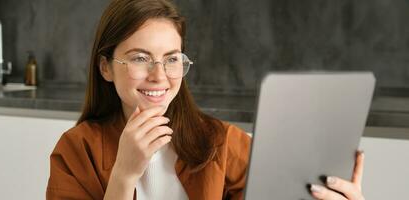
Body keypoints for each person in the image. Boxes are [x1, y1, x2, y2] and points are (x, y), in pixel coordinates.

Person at [46, 0, 366, 199]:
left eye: (172, 59)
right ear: (106, 68)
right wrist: (124, 174)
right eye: (140, 58)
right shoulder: (76, 150)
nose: (160, 75)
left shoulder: (220, 141)